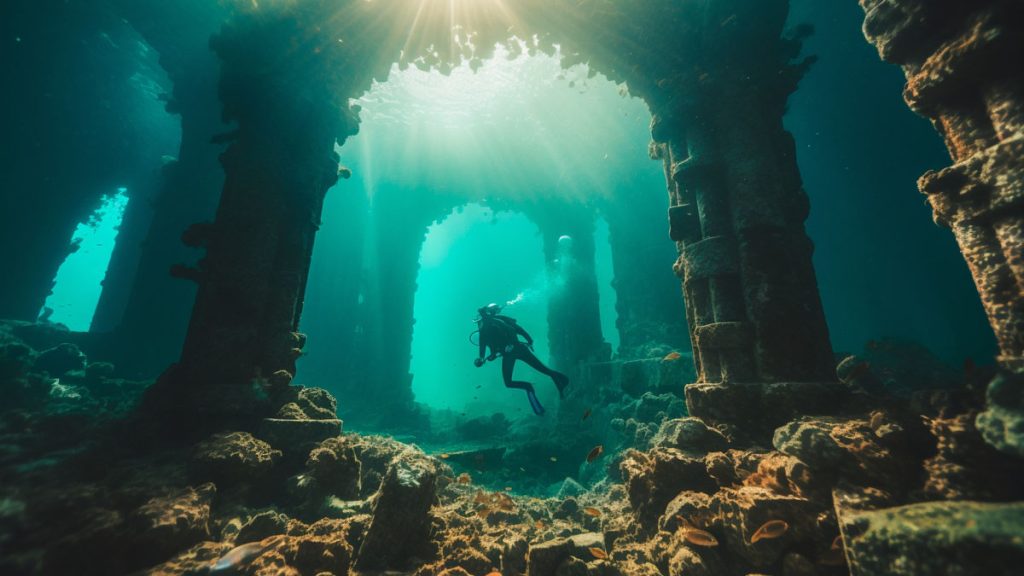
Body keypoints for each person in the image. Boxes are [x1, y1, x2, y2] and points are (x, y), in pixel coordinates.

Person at [473, 303, 569, 415]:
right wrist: (481, 359)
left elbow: (513, 331)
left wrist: (513, 344)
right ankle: (531, 385)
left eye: (478, 322)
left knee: (542, 370)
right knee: (510, 382)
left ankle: (561, 385)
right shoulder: (485, 332)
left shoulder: (496, 323)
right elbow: (483, 348)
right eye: (477, 323)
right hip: (513, 353)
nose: (478, 325)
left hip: (517, 350)